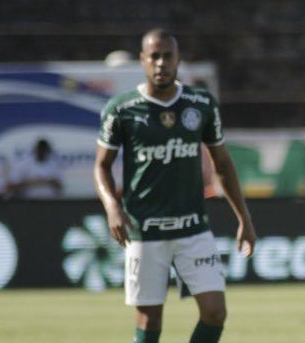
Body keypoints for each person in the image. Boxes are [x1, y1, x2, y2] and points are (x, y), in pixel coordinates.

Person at [95, 29, 257, 343]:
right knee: (149, 319)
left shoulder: (201, 104)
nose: (161, 63)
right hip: (144, 230)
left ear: (178, 59)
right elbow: (101, 166)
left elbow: (223, 165)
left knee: (215, 312)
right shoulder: (121, 109)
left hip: (193, 228)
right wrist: (112, 206)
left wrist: (244, 219)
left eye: (168, 56)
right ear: (142, 61)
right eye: (154, 56)